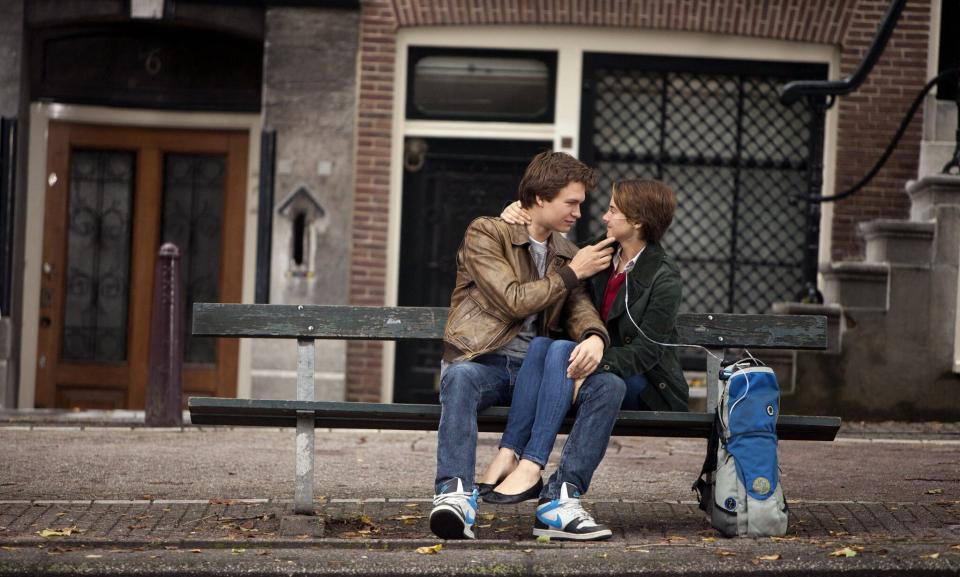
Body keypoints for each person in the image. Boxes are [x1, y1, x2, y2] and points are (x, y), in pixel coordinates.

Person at [431, 151, 626, 542]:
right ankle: (454, 495)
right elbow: (513, 299)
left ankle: (560, 500)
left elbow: (580, 310)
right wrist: (573, 273)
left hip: (539, 372)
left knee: (609, 387)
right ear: (540, 198)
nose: (577, 212)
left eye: (581, 204)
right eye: (570, 202)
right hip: (486, 362)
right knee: (461, 378)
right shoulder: (487, 233)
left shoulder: (569, 253)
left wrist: (593, 336)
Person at [478, 179, 688, 522]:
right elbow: (549, 250)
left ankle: (549, 479)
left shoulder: (664, 278)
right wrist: (517, 216)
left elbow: (646, 353)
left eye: (613, 210)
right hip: (588, 366)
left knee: (605, 381)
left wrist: (593, 366)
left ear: (636, 222)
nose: (604, 217)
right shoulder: (600, 252)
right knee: (546, 345)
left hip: (645, 382)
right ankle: (515, 457)